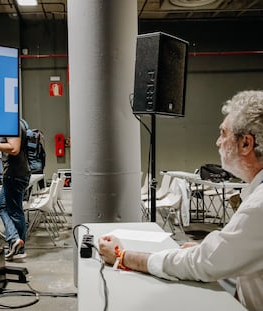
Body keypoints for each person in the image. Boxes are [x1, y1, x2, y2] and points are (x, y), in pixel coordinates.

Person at [98, 90, 263, 311]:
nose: (217, 142)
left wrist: (123, 256)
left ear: (246, 144)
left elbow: (203, 265)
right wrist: (211, 251)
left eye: (223, 134)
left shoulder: (259, 205)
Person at [0, 121, 31, 261]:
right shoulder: (14, 123)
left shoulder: (12, 124)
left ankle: (18, 245)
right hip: (15, 174)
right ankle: (15, 242)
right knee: (2, 206)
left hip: (15, 174)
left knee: (15, 211)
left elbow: (14, 149)